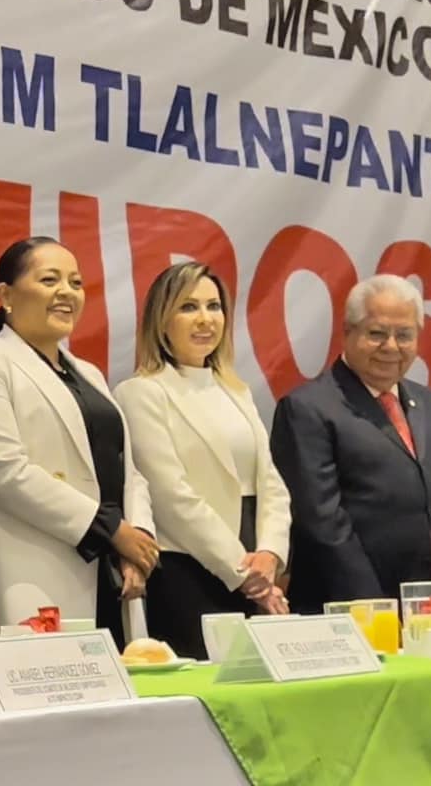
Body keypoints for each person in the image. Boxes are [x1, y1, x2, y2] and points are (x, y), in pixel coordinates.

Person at [0, 237, 157, 639]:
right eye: (49, 280)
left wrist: (139, 542)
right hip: (24, 566)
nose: (66, 292)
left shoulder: (90, 374)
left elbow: (128, 471)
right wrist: (111, 530)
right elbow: (6, 472)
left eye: (75, 283)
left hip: (110, 570)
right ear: (6, 295)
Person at [270, 274, 431, 613]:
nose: (392, 347)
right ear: (347, 332)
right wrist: (375, 607)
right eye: (377, 334)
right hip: (350, 609)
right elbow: (322, 521)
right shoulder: (307, 408)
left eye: (404, 335)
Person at [112, 262, 289, 659]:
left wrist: (270, 554)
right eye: (188, 307)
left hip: (253, 566)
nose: (206, 319)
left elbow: (271, 483)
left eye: (214, 306)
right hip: (188, 572)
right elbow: (170, 495)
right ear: (162, 320)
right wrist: (243, 572)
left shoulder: (237, 391)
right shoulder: (141, 393)